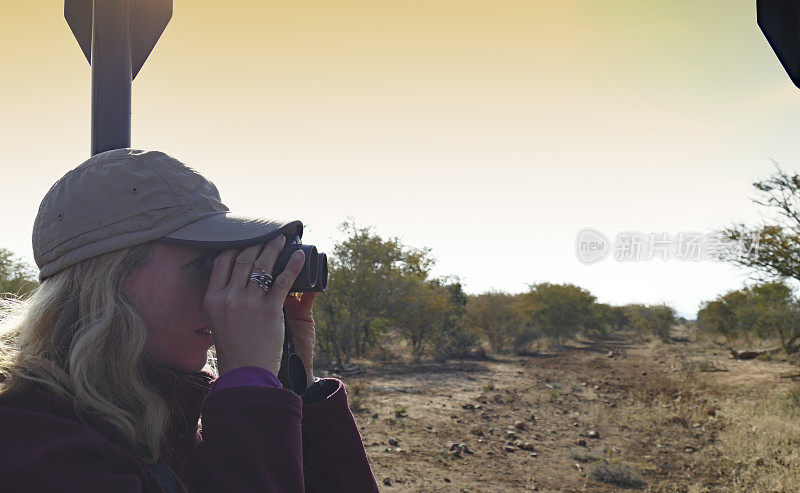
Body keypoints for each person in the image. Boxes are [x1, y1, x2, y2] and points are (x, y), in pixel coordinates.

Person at [0, 149, 380, 492]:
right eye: (205, 267)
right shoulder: (32, 443)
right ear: (99, 279)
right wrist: (250, 389)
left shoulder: (162, 413)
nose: (223, 294)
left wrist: (289, 380)